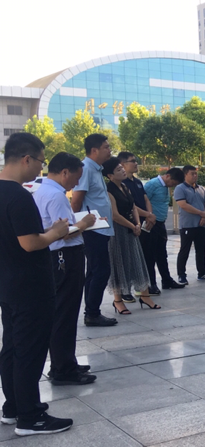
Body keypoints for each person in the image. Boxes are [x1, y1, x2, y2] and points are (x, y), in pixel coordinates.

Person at [0, 132, 74, 435]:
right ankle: (30, 417)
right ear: (26, 159)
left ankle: (13, 407)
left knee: (12, 346)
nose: (41, 169)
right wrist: (56, 232)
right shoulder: (19, 196)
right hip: (30, 285)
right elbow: (30, 243)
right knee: (29, 350)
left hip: (7, 282)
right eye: (41, 162)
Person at [33, 153, 98, 386]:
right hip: (65, 257)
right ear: (64, 173)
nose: (77, 184)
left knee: (64, 311)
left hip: (58, 256)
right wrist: (84, 223)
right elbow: (63, 232)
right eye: (76, 178)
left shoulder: (43, 191)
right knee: (65, 313)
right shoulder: (56, 195)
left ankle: (65, 362)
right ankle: (63, 369)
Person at [71, 133, 117, 327]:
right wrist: (77, 226)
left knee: (94, 271)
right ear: (94, 150)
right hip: (92, 230)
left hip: (101, 228)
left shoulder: (96, 169)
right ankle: (92, 312)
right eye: (106, 147)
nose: (109, 150)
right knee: (101, 271)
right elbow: (76, 200)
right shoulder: (86, 169)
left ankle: (91, 311)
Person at [103, 158, 160, 313]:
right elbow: (115, 215)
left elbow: (133, 206)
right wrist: (132, 226)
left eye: (122, 168)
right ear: (110, 176)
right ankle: (118, 301)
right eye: (118, 170)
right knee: (119, 264)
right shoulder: (108, 191)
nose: (122, 171)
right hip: (118, 232)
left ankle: (145, 296)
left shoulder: (125, 187)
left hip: (132, 229)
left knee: (138, 261)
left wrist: (137, 223)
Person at [118, 151, 157, 298]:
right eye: (132, 161)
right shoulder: (122, 184)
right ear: (123, 164)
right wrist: (147, 215)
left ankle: (147, 285)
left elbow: (146, 199)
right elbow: (131, 205)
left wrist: (150, 215)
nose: (136, 164)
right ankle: (125, 290)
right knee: (129, 258)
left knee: (147, 256)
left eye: (136, 161)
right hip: (131, 225)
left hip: (144, 224)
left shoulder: (138, 182)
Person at [143, 168, 186, 290]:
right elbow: (142, 201)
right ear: (167, 176)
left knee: (162, 254)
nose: (172, 186)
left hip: (160, 224)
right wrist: (148, 216)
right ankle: (151, 284)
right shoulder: (152, 184)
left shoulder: (165, 186)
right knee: (150, 255)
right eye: (173, 183)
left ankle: (166, 280)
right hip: (151, 224)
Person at [174, 165, 205, 284]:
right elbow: (183, 205)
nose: (195, 176)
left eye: (196, 173)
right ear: (185, 175)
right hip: (187, 225)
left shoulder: (201, 189)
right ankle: (181, 275)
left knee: (201, 250)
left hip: (201, 225)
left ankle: (202, 272)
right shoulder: (180, 188)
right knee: (184, 251)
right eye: (192, 174)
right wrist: (201, 213)